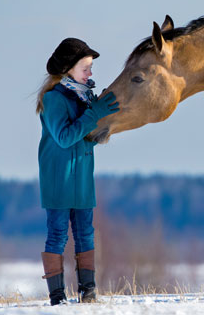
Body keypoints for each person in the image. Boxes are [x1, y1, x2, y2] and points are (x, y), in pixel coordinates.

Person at [35, 38, 119, 305]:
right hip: (59, 181)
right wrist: (93, 114)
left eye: (91, 68)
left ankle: (88, 291)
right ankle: (57, 296)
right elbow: (63, 136)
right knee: (57, 234)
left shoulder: (84, 98)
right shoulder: (53, 99)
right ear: (69, 68)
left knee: (85, 234)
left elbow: (87, 135)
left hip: (81, 180)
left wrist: (102, 119)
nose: (90, 73)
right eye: (86, 68)